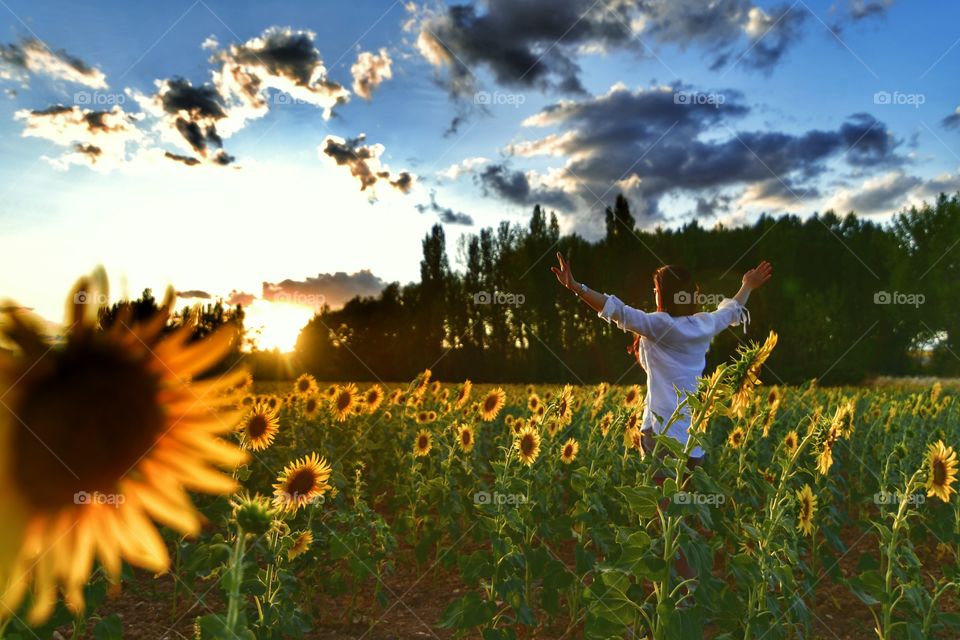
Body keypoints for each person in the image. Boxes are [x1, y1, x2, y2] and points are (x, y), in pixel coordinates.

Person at [551, 253, 772, 465]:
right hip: (693, 433)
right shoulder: (704, 324)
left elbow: (617, 310)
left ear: (664, 294)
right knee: (686, 499)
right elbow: (732, 310)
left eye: (656, 289)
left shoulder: (659, 325)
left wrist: (576, 287)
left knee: (661, 501)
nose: (653, 293)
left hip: (661, 430)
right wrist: (747, 285)